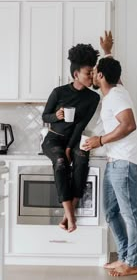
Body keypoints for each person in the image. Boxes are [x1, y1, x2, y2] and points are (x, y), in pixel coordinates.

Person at [84, 57, 137, 277]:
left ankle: (132, 262)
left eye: (94, 71)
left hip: (125, 163)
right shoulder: (115, 92)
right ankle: (123, 256)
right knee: (110, 212)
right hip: (115, 162)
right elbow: (114, 73)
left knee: (130, 213)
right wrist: (108, 52)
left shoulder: (116, 95)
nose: (91, 74)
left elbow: (129, 124)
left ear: (101, 76)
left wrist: (99, 141)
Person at [41, 43, 100, 233]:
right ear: (76, 74)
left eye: (93, 72)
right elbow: (45, 116)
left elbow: (80, 125)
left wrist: (70, 148)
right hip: (54, 139)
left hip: (74, 139)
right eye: (87, 73)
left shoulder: (93, 98)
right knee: (60, 162)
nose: (91, 77)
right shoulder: (59, 92)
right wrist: (55, 116)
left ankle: (67, 215)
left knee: (82, 159)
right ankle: (71, 216)